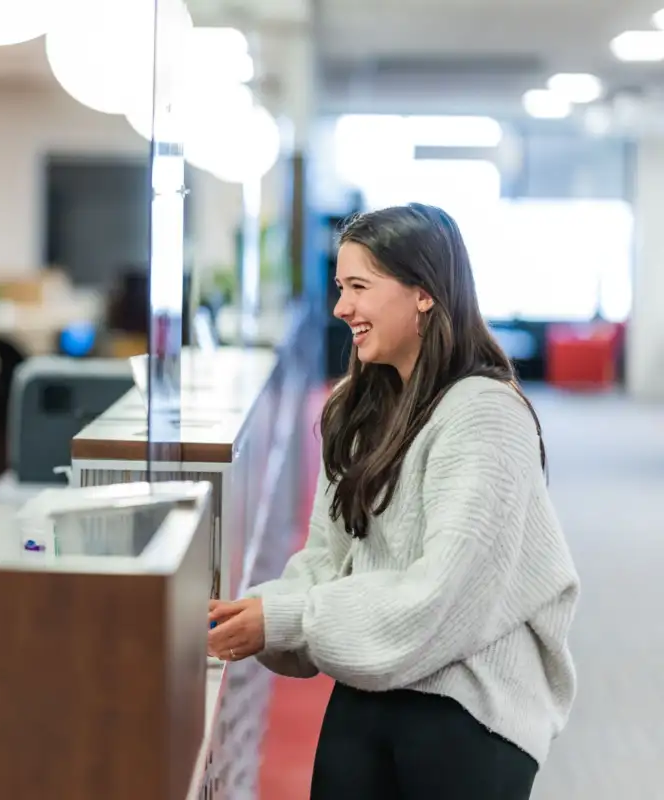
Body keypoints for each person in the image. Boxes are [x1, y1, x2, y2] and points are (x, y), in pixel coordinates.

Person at [207, 203, 579, 799]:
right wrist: (258, 613)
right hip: (376, 676)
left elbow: (442, 601)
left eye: (359, 287)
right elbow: (327, 562)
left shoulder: (484, 414)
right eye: (339, 287)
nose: (340, 308)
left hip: (465, 701)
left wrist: (289, 619)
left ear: (424, 294)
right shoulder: (357, 405)